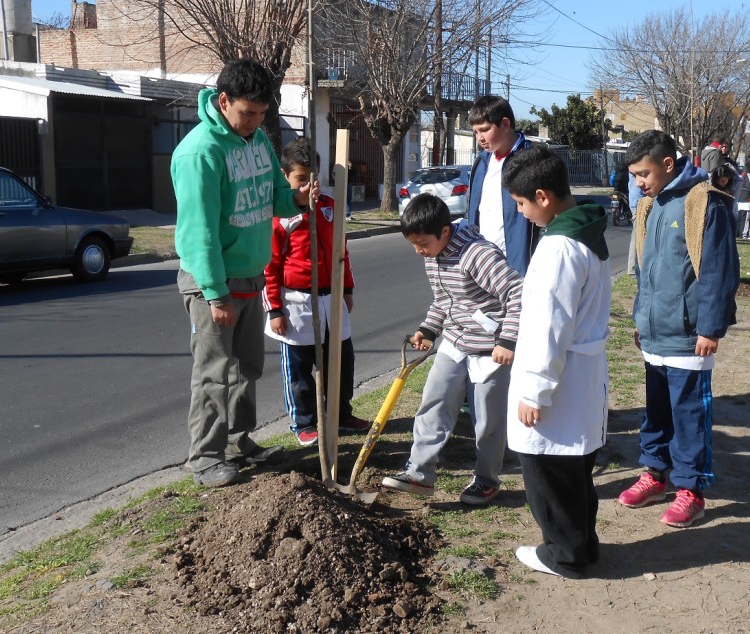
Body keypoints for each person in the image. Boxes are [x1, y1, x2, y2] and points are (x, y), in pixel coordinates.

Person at [171, 58, 306, 487]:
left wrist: (299, 200)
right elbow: (198, 234)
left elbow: (276, 198)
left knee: (247, 368)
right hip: (213, 280)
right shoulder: (200, 153)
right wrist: (215, 293)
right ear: (223, 100)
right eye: (247, 113)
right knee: (214, 371)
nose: (254, 123)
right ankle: (205, 456)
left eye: (262, 115)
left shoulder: (258, 142)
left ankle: (236, 440)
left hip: (250, 272)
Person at [619, 130, 740, 528]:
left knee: (689, 415)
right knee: (655, 412)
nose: (637, 182)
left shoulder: (703, 203)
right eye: (633, 175)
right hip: (655, 334)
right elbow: (645, 272)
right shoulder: (650, 205)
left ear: (667, 164)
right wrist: (641, 318)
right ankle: (655, 475)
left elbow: (720, 271)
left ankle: (691, 489)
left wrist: (710, 328)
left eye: (642, 173)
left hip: (690, 337)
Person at [500, 146, 611, 577]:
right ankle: (583, 546)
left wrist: (534, 389)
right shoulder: (586, 229)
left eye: (521, 203)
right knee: (576, 471)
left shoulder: (559, 248)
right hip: (581, 373)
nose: (521, 212)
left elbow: (549, 326)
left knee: (548, 471)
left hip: (560, 379)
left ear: (543, 196)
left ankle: (564, 555)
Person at [381, 193, 523, 506]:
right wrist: (429, 329)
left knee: (487, 421)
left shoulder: (477, 255)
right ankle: (420, 474)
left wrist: (507, 340)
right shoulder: (433, 256)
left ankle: (487, 479)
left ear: (444, 232)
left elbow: (518, 292)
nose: (419, 251)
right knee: (434, 401)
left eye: (423, 243)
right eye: (413, 244)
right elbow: (446, 299)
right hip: (456, 341)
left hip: (491, 348)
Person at [263, 138, 370, 447]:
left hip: (331, 299)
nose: (310, 187)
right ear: (285, 176)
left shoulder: (329, 207)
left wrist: (347, 287)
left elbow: (342, 251)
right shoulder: (280, 215)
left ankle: (341, 413)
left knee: (342, 361)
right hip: (296, 303)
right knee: (299, 370)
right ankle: (305, 422)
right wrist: (275, 310)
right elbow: (270, 264)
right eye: (300, 180)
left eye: (314, 179)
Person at [467, 95, 540, 275]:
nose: (480, 138)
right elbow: (474, 212)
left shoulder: (532, 160)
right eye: (476, 132)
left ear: (505, 124)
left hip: (518, 268)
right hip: (483, 266)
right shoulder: (481, 163)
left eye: (484, 130)